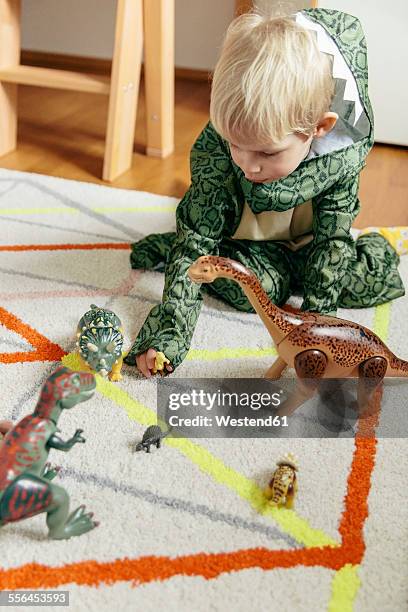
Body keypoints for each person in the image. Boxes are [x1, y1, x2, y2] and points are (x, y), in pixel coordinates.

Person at [124, 5, 404, 378]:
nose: (247, 164)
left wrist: (319, 332)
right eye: (235, 145)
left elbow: (332, 242)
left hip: (308, 247)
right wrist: (167, 337)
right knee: (252, 290)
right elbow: (196, 242)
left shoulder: (341, 157)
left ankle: (363, 253)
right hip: (252, 248)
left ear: (319, 127)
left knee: (370, 281)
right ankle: (174, 247)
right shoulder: (220, 152)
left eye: (267, 153)